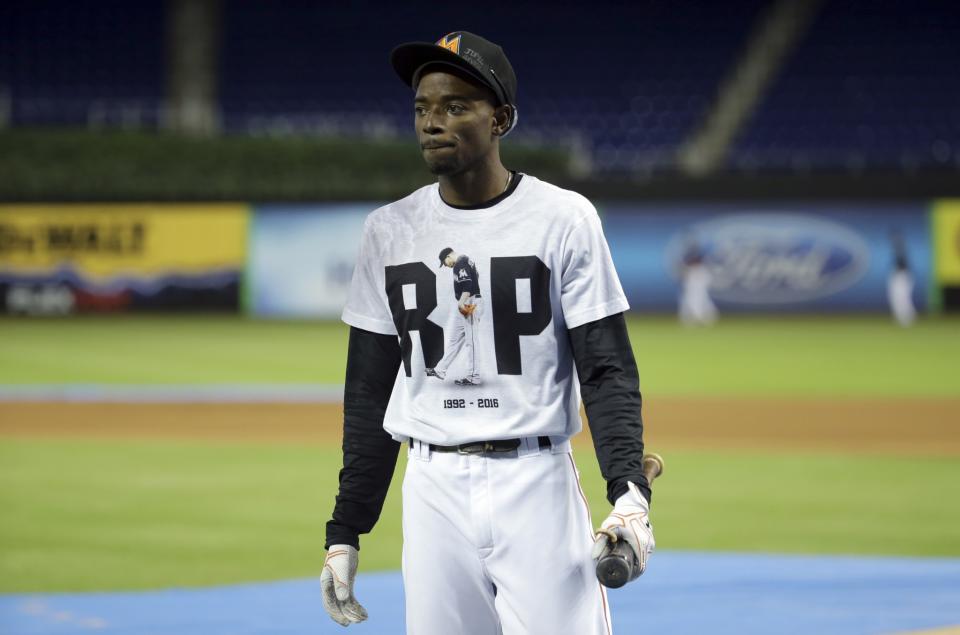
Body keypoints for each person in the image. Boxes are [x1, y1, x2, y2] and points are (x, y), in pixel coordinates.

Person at [321, 31, 654, 635]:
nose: (432, 122)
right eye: (422, 108)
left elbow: (604, 367)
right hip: (431, 491)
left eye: (454, 107)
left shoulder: (563, 218)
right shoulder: (388, 231)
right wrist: (346, 530)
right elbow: (369, 394)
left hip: (536, 482)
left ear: (500, 119)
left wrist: (629, 489)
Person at [426, 247, 484, 385]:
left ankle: (473, 376)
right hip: (470, 302)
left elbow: (468, 285)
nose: (446, 265)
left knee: (471, 341)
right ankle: (440, 370)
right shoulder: (466, 260)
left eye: (445, 262)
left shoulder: (460, 263)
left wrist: (462, 303)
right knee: (455, 339)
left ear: (448, 256)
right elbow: (475, 277)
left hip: (469, 304)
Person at [678, 235, 717, 326]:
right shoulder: (690, 252)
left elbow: (696, 261)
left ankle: (701, 318)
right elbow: (687, 263)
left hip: (699, 274)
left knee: (696, 298)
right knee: (692, 298)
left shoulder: (697, 252)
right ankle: (697, 319)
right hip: (695, 274)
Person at [888, 230, 916, 326]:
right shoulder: (898, 248)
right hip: (901, 275)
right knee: (897, 298)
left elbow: (903, 264)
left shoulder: (901, 248)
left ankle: (907, 318)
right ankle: (902, 318)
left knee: (902, 298)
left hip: (902, 275)